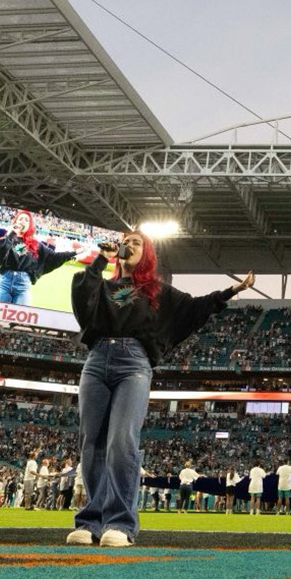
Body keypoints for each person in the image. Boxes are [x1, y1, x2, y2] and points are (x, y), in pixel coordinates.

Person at [64, 230, 256, 548]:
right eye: (126, 241)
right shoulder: (103, 285)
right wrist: (102, 258)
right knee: (91, 441)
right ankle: (90, 522)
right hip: (96, 360)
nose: (130, 244)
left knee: (121, 439)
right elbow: (82, 300)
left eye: (137, 242)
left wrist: (233, 290)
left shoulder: (158, 291)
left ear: (148, 254)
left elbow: (196, 308)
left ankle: (120, 523)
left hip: (134, 364)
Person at [0, 209, 80, 307]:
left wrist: (74, 252)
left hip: (23, 285)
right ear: (15, 222)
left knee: (20, 318)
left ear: (30, 225)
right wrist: (13, 235)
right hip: (4, 282)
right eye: (20, 219)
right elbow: (2, 255)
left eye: (26, 220)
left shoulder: (36, 244)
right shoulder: (5, 240)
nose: (23, 221)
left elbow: (53, 257)